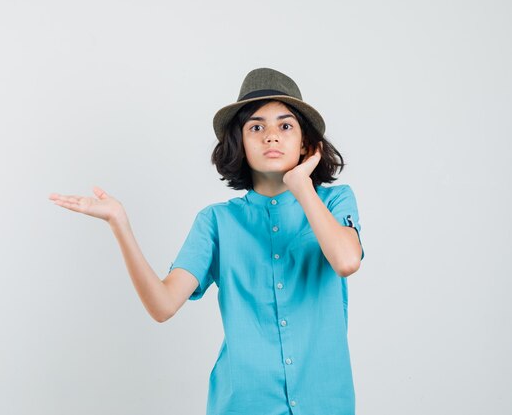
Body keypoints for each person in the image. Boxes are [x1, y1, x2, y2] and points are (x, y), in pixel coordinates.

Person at [49, 67, 365, 415]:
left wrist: (301, 184)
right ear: (240, 143)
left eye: (285, 125)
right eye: (256, 127)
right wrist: (120, 224)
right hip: (244, 405)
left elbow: (346, 261)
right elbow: (163, 305)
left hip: (326, 403)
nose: (271, 136)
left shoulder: (335, 202)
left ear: (306, 142)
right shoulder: (216, 221)